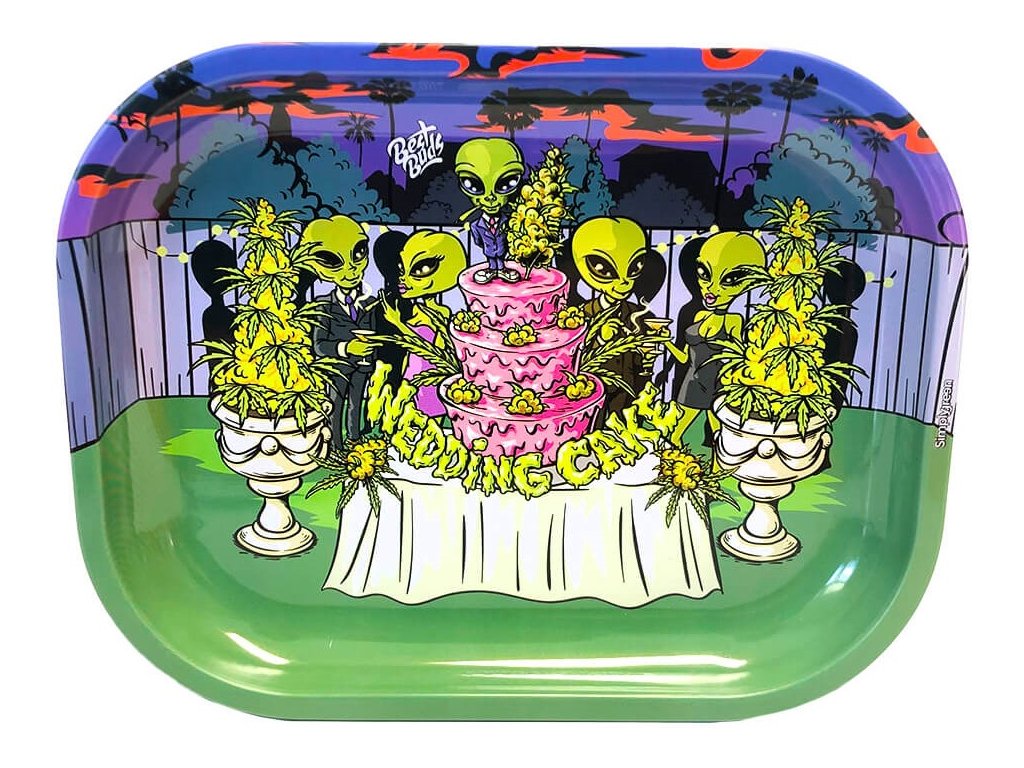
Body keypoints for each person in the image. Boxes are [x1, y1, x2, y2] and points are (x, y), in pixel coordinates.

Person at [302, 215, 381, 446]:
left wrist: (372, 358)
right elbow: (318, 346)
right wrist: (346, 348)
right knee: (335, 406)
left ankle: (354, 442)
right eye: (333, 261)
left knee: (357, 405)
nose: (350, 270)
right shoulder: (324, 305)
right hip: (337, 368)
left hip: (362, 366)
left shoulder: (370, 302)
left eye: (358, 254)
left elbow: (374, 333)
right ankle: (335, 446)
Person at [378, 231, 468, 416]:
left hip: (431, 375)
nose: (403, 278)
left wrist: (397, 322)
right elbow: (408, 351)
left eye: (419, 270)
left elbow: (435, 349)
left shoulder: (442, 314)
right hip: (411, 373)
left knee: (429, 417)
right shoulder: (415, 310)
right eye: (402, 270)